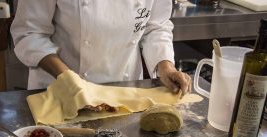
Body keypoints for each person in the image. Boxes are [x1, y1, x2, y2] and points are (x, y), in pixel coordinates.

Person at [11, 0, 191, 95]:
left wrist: (165, 66)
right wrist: (66, 78)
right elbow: (30, 33)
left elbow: (155, 27)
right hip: (59, 90)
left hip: (124, 90)